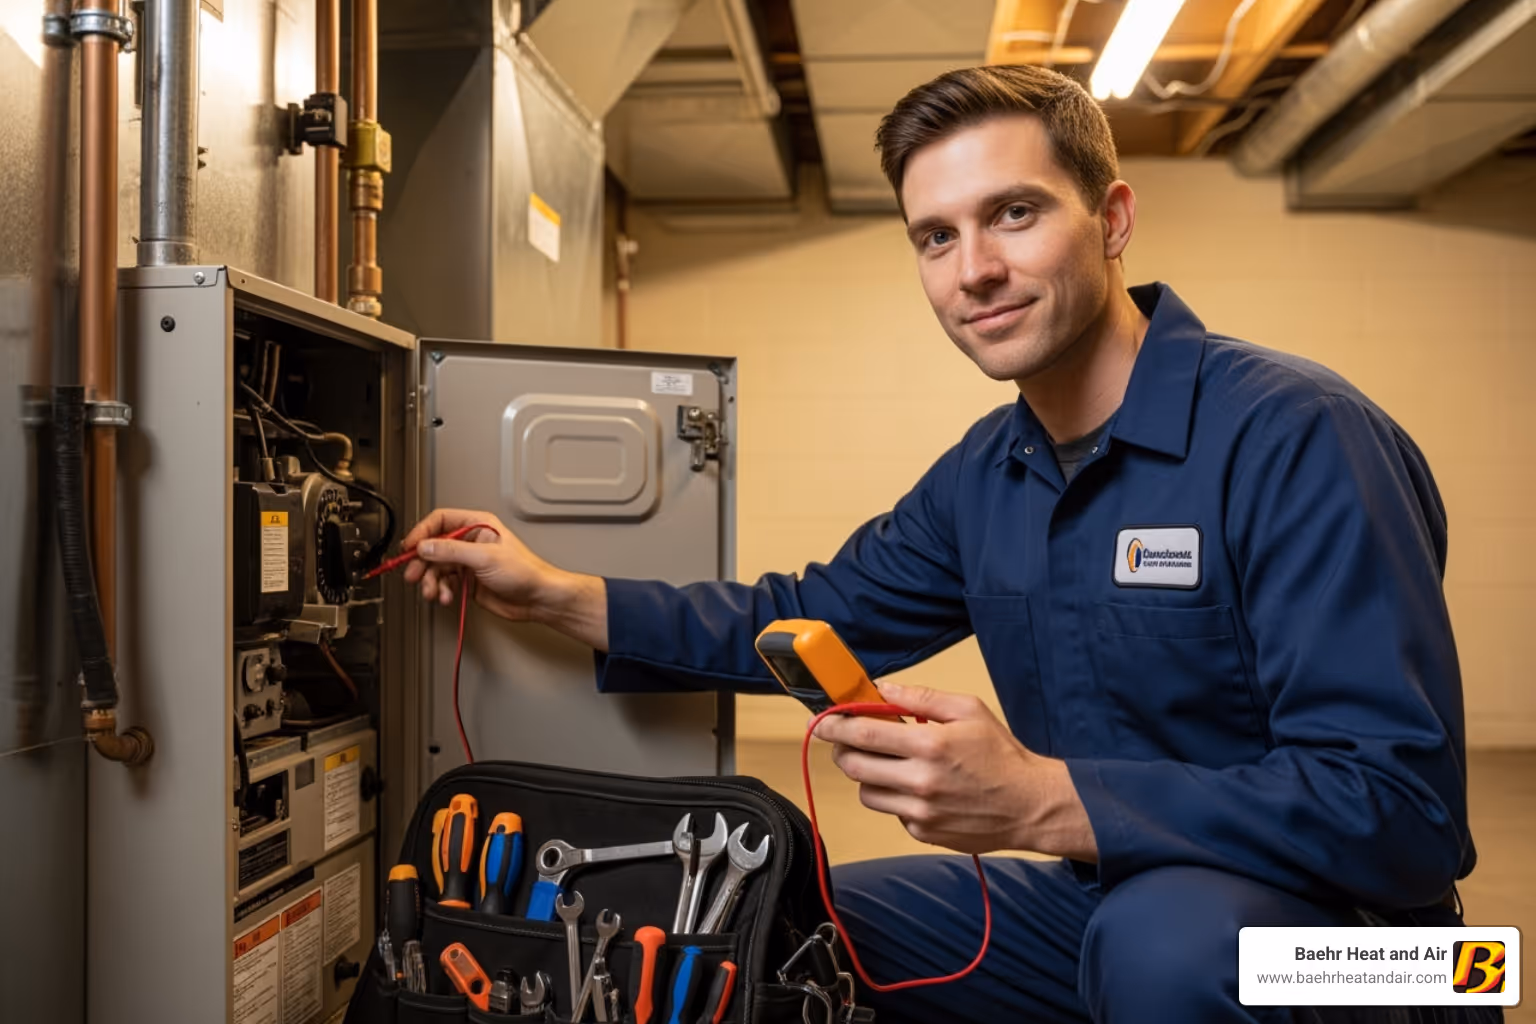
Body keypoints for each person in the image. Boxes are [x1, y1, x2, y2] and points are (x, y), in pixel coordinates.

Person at [398, 66, 1497, 1023]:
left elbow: (1402, 812)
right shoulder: (990, 474)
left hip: (1368, 949)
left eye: (1014, 213)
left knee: (1164, 948)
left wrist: (1044, 799)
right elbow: (800, 616)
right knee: (784, 920)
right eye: (936, 236)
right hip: (1105, 897)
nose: (973, 269)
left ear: (1113, 219)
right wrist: (555, 593)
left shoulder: (1295, 435)